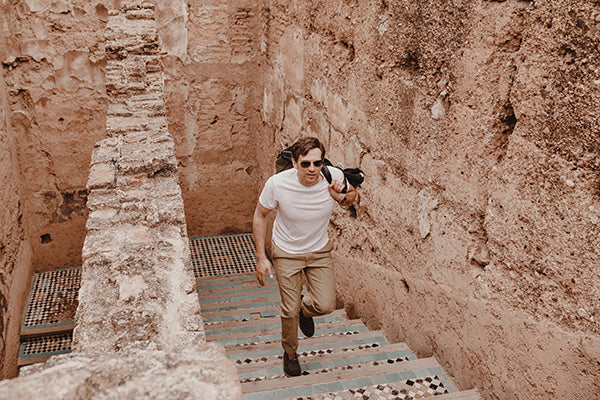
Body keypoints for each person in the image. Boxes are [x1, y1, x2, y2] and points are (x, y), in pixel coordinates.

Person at [252, 136, 357, 377]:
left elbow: (352, 197)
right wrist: (261, 257)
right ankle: (290, 353)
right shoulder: (277, 184)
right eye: (306, 164)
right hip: (286, 252)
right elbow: (260, 216)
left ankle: (304, 310)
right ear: (295, 163)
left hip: (319, 251)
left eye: (317, 163)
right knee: (287, 310)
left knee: (325, 304)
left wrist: (340, 197)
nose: (312, 169)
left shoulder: (333, 176)